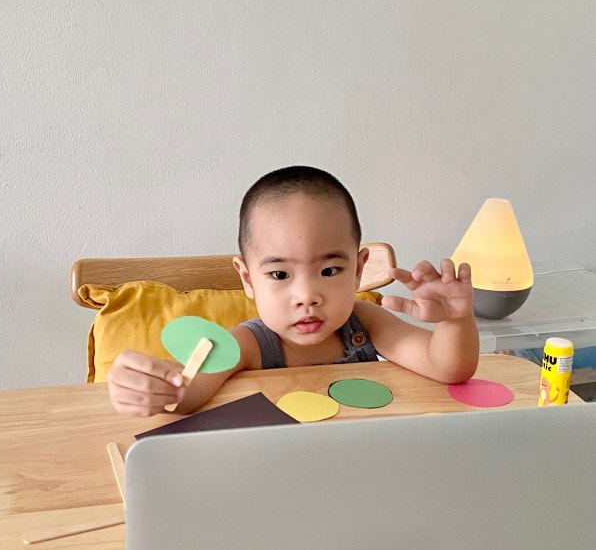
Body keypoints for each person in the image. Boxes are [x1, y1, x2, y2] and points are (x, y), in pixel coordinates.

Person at [107, 166, 479, 417]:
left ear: (359, 270)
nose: (307, 295)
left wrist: (455, 322)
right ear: (248, 279)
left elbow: (448, 368)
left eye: (330, 270)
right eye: (280, 274)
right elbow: (187, 395)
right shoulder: (251, 344)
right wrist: (155, 387)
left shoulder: (366, 323)